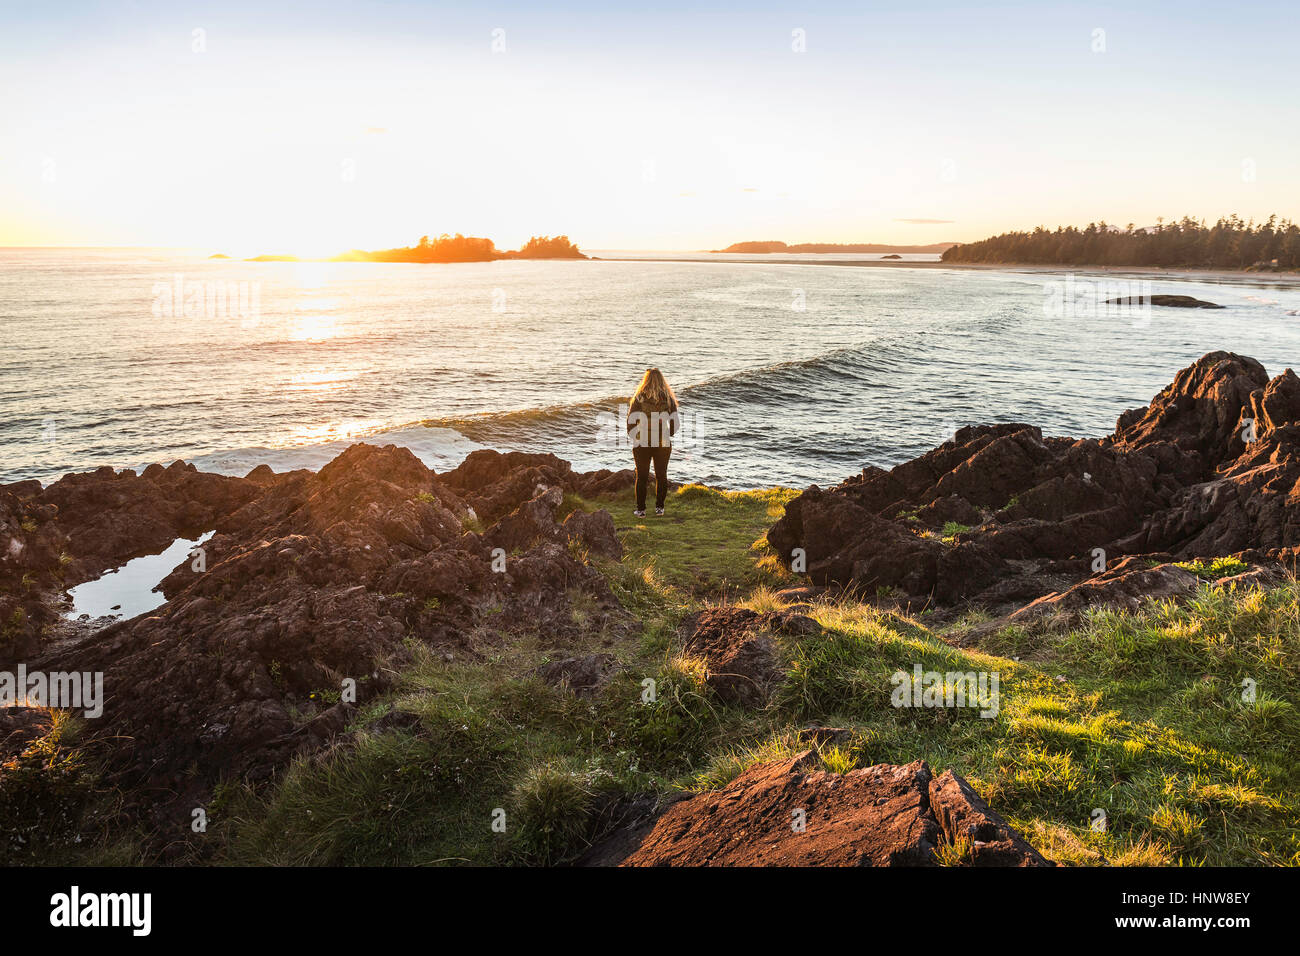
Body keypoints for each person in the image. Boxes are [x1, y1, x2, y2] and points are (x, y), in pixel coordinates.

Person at [626, 368, 678, 517]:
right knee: (661, 476)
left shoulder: (639, 397)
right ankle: (659, 508)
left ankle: (641, 510)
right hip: (663, 443)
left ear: (645, 380)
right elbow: (676, 423)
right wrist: (668, 434)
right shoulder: (668, 399)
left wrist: (635, 436)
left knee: (641, 477)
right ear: (662, 381)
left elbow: (630, 421)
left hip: (642, 443)